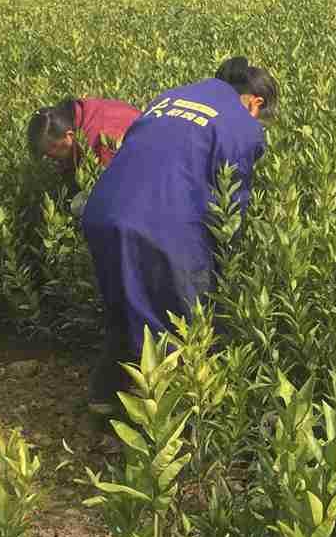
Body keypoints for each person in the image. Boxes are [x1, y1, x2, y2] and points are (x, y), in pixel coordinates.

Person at [80, 57, 276, 408]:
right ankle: (166, 423)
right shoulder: (241, 125)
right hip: (161, 224)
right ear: (255, 102)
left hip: (103, 211)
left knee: (123, 307)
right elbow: (231, 202)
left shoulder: (171, 97)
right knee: (176, 321)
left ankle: (104, 400)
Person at [28, 97, 144, 213]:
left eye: (52, 148)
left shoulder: (99, 145)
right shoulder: (72, 115)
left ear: (69, 135)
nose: (49, 156)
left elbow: (115, 195)